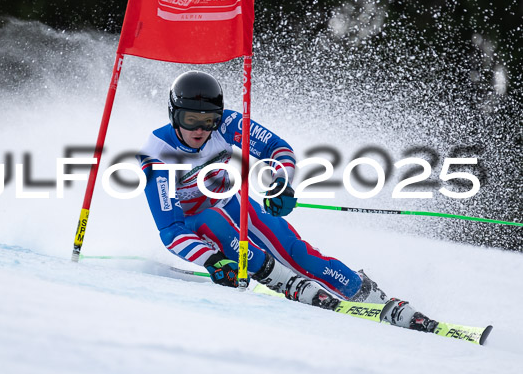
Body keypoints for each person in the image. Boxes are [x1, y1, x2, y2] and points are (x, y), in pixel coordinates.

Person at [137, 70, 437, 332]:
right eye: (191, 120)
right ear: (174, 114)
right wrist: (212, 260)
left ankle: (370, 296)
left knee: (296, 252)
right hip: (194, 222)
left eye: (209, 121)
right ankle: (283, 280)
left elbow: (277, 148)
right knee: (215, 224)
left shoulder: (228, 124)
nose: (201, 130)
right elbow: (172, 230)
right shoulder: (157, 154)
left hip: (229, 202)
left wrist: (281, 184)